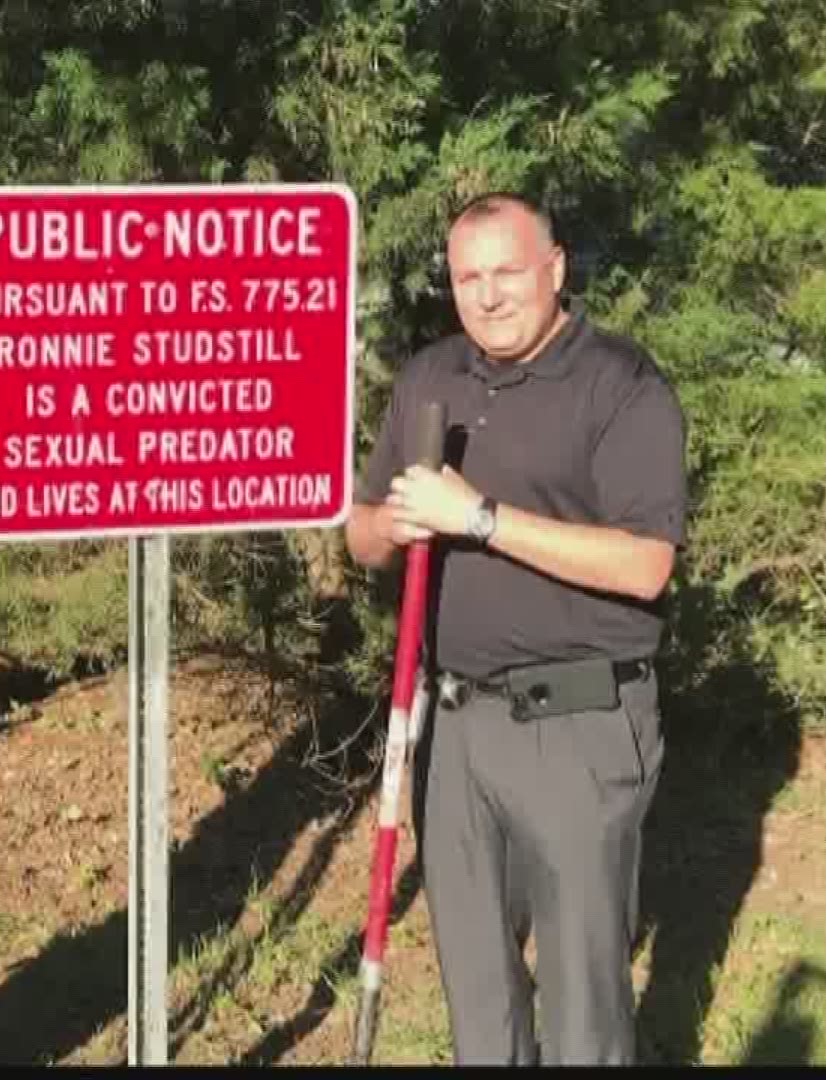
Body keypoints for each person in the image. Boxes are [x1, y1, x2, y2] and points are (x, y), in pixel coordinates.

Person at [345, 192, 687, 1065]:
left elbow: (646, 563)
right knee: (480, 995)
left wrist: (481, 518)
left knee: (581, 1004)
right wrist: (395, 526)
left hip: (577, 725)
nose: (489, 295)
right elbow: (361, 534)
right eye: (469, 277)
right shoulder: (432, 378)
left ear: (556, 270)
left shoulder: (621, 383)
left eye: (508, 272)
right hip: (453, 731)